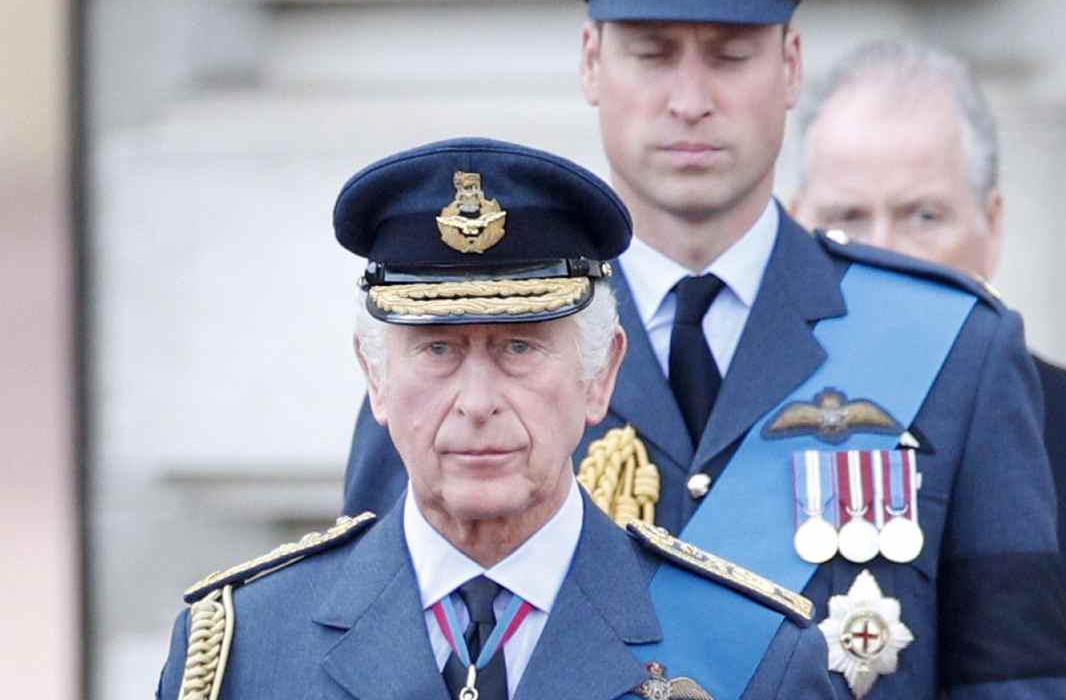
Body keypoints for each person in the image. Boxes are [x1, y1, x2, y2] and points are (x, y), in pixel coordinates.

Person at [342, 0, 1066, 697]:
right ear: (591, 61)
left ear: (791, 65)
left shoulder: (949, 344)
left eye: (730, 56)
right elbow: (380, 655)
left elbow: (1017, 679)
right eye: (652, 54)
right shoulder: (460, 342)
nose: (690, 100)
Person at [156, 138, 836, 700]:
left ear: (601, 374)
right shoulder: (248, 649)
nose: (477, 401)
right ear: (376, 378)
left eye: (519, 347)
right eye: (437, 349)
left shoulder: (749, 653)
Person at [789, 39, 1066, 700]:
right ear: (793, 230)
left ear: (993, 224)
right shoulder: (730, 446)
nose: (884, 253)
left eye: (924, 216)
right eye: (847, 220)